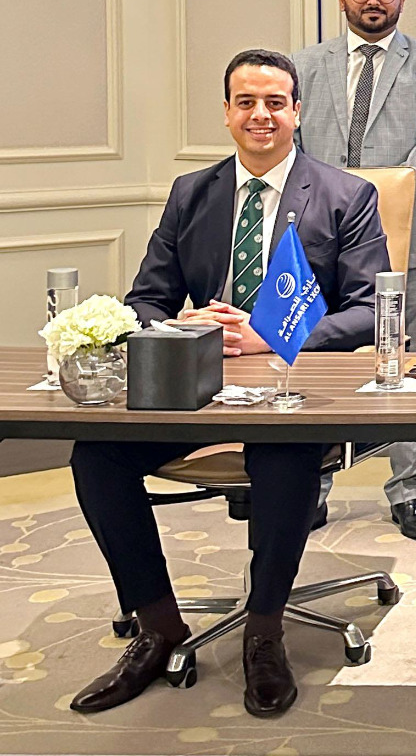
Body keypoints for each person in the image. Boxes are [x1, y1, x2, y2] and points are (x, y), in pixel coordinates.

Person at [69, 50, 388, 718]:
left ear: (297, 111)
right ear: (226, 113)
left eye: (274, 102)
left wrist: (274, 336)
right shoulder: (193, 193)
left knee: (283, 456)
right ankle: (158, 626)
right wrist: (180, 324)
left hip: (294, 389)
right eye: (246, 102)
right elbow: (145, 300)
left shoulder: (346, 195)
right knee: (96, 454)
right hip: (200, 386)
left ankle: (264, 631)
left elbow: (370, 310)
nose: (260, 115)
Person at [293, 0, 416, 541]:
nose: (373, 1)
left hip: (410, 235)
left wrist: (368, 197)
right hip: (318, 241)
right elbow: (293, 146)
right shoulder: (305, 65)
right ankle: (310, 486)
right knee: (316, 356)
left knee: (412, 360)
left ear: (402, 0)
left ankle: (409, 489)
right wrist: (334, 204)